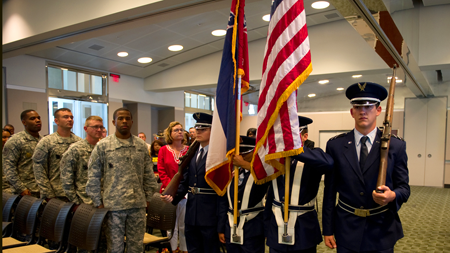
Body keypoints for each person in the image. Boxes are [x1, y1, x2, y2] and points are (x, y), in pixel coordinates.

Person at [323, 82, 410, 253]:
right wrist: (328, 229)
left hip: (381, 228)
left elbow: (404, 188)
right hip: (346, 227)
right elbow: (329, 191)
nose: (363, 111)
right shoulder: (336, 145)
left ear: (378, 110)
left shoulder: (395, 146)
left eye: (369, 106)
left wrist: (392, 195)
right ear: (351, 111)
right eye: (358, 106)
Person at [86, 108, 158, 253]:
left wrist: (148, 199)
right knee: (115, 248)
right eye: (120, 118)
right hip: (113, 207)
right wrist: (98, 203)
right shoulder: (103, 146)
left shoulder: (141, 146)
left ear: (132, 121)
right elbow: (93, 176)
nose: (124, 121)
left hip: (137, 206)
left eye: (127, 118)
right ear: (114, 122)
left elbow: (148, 175)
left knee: (136, 247)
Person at [264, 116, 334, 253]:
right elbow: (271, 195)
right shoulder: (277, 159)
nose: (287, 139)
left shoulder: (313, 155)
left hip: (303, 231)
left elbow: (328, 163)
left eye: (292, 135)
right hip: (276, 227)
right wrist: (266, 226)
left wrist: (295, 148)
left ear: (305, 136)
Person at [161, 112, 221, 253]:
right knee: (193, 248)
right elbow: (186, 179)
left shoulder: (217, 155)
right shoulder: (192, 153)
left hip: (209, 214)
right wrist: (172, 196)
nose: (198, 132)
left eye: (203, 129)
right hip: (192, 212)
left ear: (213, 131)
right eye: (197, 128)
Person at [218, 136, 270, 253]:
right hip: (231, 227)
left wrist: (245, 164)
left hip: (252, 229)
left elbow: (267, 176)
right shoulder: (233, 172)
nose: (241, 156)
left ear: (254, 152)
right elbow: (224, 202)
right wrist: (221, 228)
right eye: (239, 153)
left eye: (245, 153)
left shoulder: (261, 173)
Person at [33, 108, 82, 201]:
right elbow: (39, 169)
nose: (70, 119)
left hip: (76, 193)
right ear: (56, 121)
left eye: (71, 117)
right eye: (65, 117)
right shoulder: (47, 142)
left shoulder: (79, 142)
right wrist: (48, 194)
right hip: (56, 193)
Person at [158, 121, 189, 253]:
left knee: (184, 224)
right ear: (170, 134)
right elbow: (161, 171)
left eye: (181, 129)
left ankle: (184, 249)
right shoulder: (163, 150)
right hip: (168, 193)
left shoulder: (188, 150)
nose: (180, 132)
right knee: (171, 225)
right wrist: (171, 188)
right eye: (176, 130)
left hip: (186, 193)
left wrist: (181, 188)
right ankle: (172, 249)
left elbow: (189, 171)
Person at [60, 116, 104, 205]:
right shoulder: (75, 149)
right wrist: (75, 203)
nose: (99, 130)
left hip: (105, 199)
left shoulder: (105, 149)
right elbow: (66, 179)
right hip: (85, 200)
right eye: (95, 127)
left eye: (101, 127)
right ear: (85, 129)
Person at [3, 110, 43, 197]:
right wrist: (21, 188)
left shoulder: (43, 141)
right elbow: (9, 168)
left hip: (42, 190)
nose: (37, 120)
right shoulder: (15, 141)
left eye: (38, 118)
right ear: (24, 122)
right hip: (24, 192)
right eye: (33, 119)